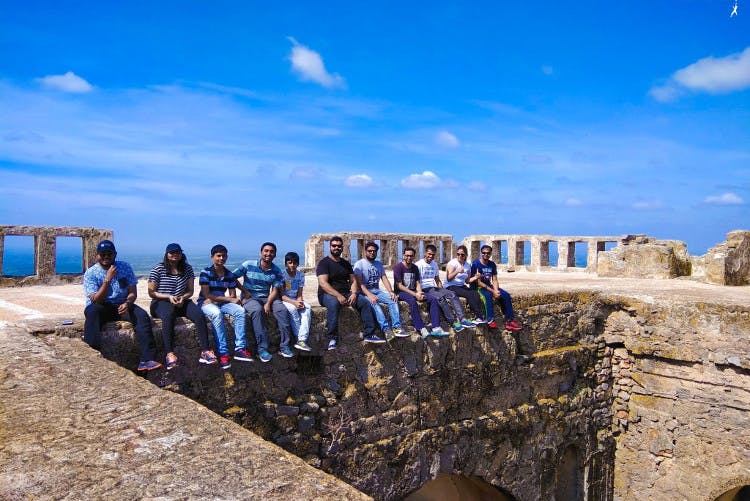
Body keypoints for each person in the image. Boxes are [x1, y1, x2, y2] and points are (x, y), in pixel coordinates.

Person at [83, 239, 162, 371]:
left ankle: (147, 359)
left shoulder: (125, 267)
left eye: (109, 253)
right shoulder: (91, 273)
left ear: (115, 254)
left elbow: (132, 293)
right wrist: (107, 279)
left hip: (122, 304)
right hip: (102, 306)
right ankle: (93, 354)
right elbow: (97, 299)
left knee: (141, 316)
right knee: (92, 312)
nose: (106, 257)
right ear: (97, 255)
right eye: (103, 254)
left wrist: (128, 302)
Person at [148, 243, 216, 369]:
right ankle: (169, 353)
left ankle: (205, 351)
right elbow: (151, 292)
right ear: (167, 254)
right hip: (161, 301)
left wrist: (182, 298)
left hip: (181, 299)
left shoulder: (187, 268)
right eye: (172, 252)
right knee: (168, 315)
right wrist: (168, 297)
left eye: (177, 252)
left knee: (199, 315)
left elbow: (190, 291)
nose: (175, 255)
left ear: (181, 254)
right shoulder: (158, 268)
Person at [316, 236, 384, 350]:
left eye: (339, 246)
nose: (336, 248)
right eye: (334, 246)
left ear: (342, 248)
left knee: (365, 302)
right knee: (334, 304)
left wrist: (353, 293)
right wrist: (338, 295)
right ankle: (332, 338)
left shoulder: (345, 263)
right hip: (326, 294)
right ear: (330, 247)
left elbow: (352, 281)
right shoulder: (324, 263)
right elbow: (323, 283)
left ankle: (369, 334)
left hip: (346, 293)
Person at [233, 242, 294, 361]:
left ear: (275, 255)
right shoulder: (248, 264)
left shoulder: (276, 270)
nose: (268, 254)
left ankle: (284, 346)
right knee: (257, 311)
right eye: (266, 251)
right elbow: (232, 277)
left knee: (282, 309)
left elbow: (275, 290)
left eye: (271, 252)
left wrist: (268, 303)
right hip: (250, 298)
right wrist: (244, 291)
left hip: (267, 297)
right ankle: (262, 349)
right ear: (261, 253)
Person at [198, 244, 250, 370]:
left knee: (240, 311)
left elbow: (233, 295)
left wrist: (227, 299)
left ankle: (240, 348)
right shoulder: (205, 272)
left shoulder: (229, 274)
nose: (221, 258)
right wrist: (227, 299)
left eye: (224, 256)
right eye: (218, 256)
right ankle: (223, 353)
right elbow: (206, 295)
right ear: (212, 257)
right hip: (205, 303)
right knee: (216, 314)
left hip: (219, 302)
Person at [415, 244, 476, 333]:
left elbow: (437, 279)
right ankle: (453, 322)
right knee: (441, 298)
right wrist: (420, 292)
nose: (430, 256)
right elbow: (417, 281)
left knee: (452, 294)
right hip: (424, 288)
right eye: (429, 254)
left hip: (434, 287)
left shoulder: (434, 264)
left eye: (433, 255)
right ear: (425, 253)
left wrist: (442, 289)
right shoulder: (418, 265)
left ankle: (462, 319)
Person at [353, 241, 406, 341]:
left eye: (374, 251)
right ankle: (386, 330)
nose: (372, 253)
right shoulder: (359, 264)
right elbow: (360, 284)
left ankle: (397, 328)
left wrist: (391, 291)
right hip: (364, 292)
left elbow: (384, 278)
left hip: (377, 290)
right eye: (370, 251)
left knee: (393, 300)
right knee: (374, 303)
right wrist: (370, 295)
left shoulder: (378, 264)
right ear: (365, 252)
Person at [393, 246, 447, 338]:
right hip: (401, 292)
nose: (409, 258)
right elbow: (399, 285)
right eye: (407, 256)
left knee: (433, 299)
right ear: (403, 256)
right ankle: (421, 328)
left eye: (411, 256)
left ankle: (436, 327)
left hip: (414, 291)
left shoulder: (414, 267)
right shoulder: (398, 267)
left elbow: (417, 282)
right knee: (412, 301)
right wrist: (415, 294)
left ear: (414, 257)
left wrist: (420, 293)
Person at [470, 245, 522, 331]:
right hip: (478, 287)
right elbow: (478, 282)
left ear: (490, 254)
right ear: (481, 253)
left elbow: (494, 279)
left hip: (488, 285)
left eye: (488, 253)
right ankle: (490, 319)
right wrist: (492, 291)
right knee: (487, 296)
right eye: (483, 253)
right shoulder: (476, 264)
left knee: (505, 295)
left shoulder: (492, 264)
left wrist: (496, 290)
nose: (485, 254)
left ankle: (510, 321)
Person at [444, 245, 486, 324]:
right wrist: (457, 271)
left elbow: (467, 281)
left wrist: (476, 277)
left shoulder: (467, 265)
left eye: (462, 254)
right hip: (450, 286)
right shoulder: (452, 263)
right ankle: (479, 315)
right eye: (458, 254)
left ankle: (479, 317)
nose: (460, 256)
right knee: (469, 294)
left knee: (475, 293)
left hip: (460, 285)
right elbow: (448, 278)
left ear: (466, 255)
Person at [281, 252, 313, 352]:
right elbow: (282, 296)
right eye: (290, 263)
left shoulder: (300, 275)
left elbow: (299, 293)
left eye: (294, 263)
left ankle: (301, 340)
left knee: (307, 308)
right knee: (293, 310)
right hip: (286, 300)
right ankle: (301, 339)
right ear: (286, 264)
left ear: (298, 264)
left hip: (295, 299)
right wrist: (294, 303)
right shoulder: (282, 275)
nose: (292, 265)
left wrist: (299, 301)